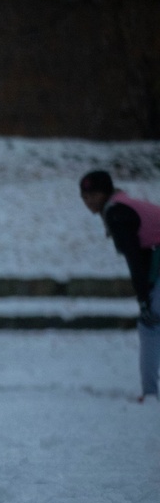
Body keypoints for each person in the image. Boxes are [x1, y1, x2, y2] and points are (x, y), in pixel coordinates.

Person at [79, 170, 160, 402]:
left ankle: (151, 393)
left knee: (150, 325)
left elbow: (135, 258)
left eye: (93, 195)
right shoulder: (120, 206)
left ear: (105, 193)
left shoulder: (117, 212)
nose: (88, 201)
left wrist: (144, 298)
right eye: (84, 197)